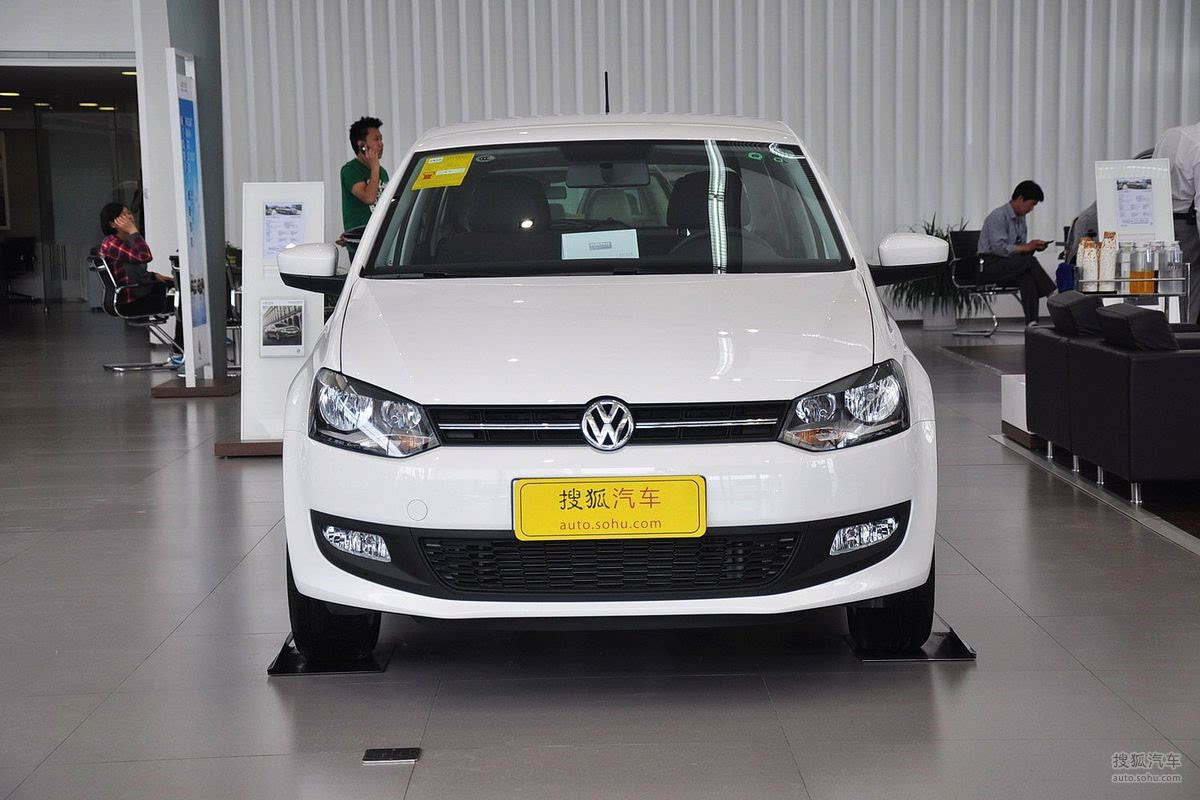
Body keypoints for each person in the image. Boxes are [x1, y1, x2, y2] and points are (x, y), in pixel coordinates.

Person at [97, 203, 183, 354]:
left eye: (129, 213)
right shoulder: (112, 242)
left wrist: (153, 276)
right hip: (132, 302)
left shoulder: (123, 242)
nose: (130, 217)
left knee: (181, 290)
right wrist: (134, 231)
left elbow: (130, 270)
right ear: (112, 224)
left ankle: (180, 350)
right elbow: (144, 256)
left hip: (138, 293)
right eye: (124, 215)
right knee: (183, 303)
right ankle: (180, 352)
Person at [977, 180, 1057, 326]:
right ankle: (1052, 294)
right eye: (1032, 204)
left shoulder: (1020, 219)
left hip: (1007, 264)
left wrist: (1032, 248)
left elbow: (1019, 249)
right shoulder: (998, 216)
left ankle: (1032, 323)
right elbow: (999, 248)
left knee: (1027, 277)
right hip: (989, 265)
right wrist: (1026, 247)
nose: (1031, 209)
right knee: (1030, 262)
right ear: (1020, 199)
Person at [1153, 121, 1200, 322]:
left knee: (1163, 288)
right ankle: (1185, 332)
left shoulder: (1170, 134)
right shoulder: (1198, 146)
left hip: (1159, 222)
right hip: (1187, 227)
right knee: (1189, 285)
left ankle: (1163, 330)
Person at [340, 116, 389, 242]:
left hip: (380, 239)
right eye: (376, 139)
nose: (381, 144)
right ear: (362, 146)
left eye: (381, 139)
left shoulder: (382, 172)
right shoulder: (351, 170)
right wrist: (374, 168)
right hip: (361, 242)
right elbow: (369, 198)